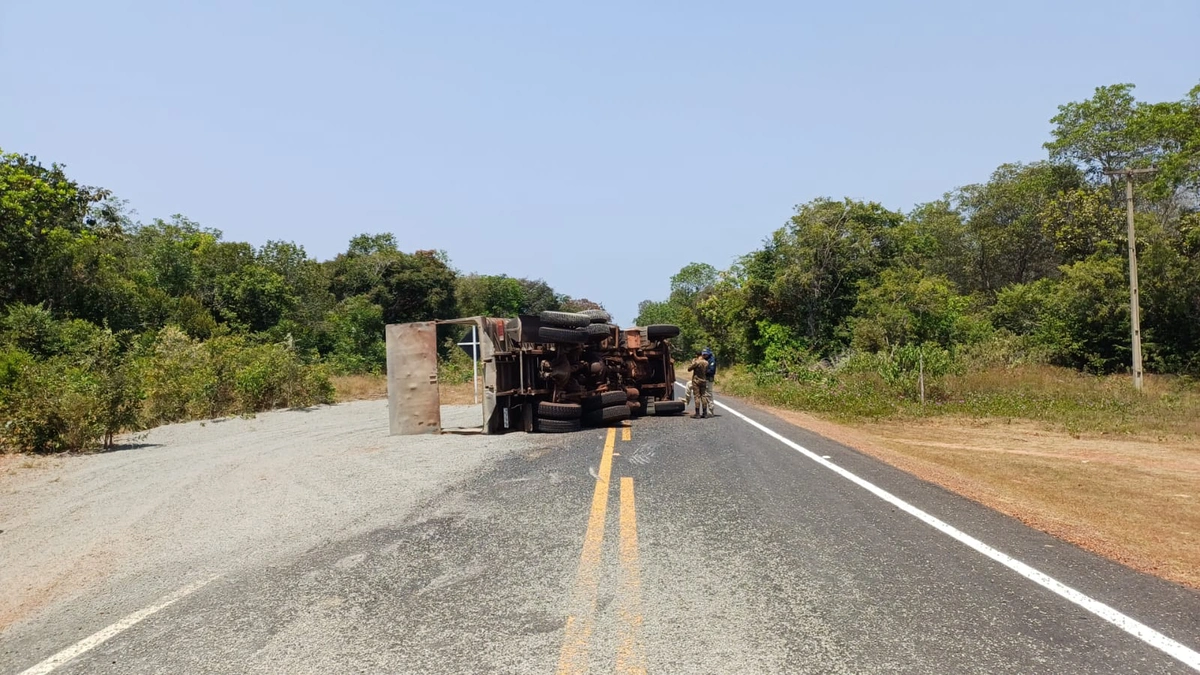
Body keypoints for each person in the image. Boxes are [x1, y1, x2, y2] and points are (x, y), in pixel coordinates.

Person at [686, 351, 710, 418]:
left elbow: (689, 369)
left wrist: (693, 362)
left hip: (696, 380)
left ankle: (697, 413)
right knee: (703, 395)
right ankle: (705, 413)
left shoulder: (696, 362)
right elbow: (707, 371)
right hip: (703, 380)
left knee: (697, 396)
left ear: (697, 355)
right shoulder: (706, 362)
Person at [701, 347, 717, 412]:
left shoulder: (712, 360)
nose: (704, 355)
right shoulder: (704, 359)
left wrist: (703, 371)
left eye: (705, 354)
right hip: (703, 379)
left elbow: (712, 371)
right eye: (703, 354)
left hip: (708, 379)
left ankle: (711, 410)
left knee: (709, 394)